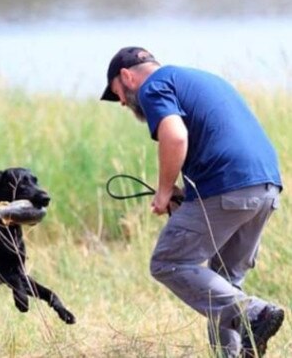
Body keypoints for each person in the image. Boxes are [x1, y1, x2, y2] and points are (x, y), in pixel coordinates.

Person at [101, 47, 284, 357]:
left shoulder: (153, 87)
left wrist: (163, 191)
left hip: (228, 187)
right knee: (222, 282)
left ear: (127, 76)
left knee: (168, 262)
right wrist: (186, 195)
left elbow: (175, 136)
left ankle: (254, 312)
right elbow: (218, 138)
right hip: (265, 187)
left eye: (117, 93)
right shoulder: (201, 79)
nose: (121, 102)